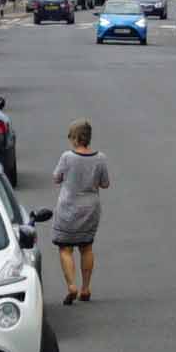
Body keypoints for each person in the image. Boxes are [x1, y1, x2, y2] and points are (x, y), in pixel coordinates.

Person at [52, 119, 109, 305]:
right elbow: (105, 183)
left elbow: (56, 178)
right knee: (86, 248)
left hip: (68, 208)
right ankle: (85, 288)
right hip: (90, 208)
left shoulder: (67, 157)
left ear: (75, 138)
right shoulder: (100, 158)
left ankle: (72, 286)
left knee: (65, 248)